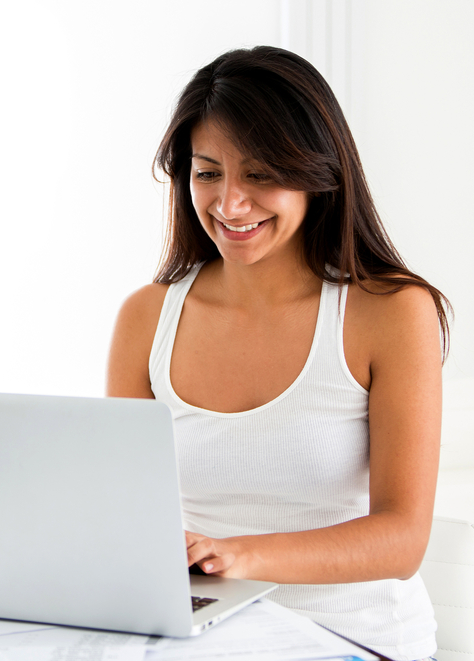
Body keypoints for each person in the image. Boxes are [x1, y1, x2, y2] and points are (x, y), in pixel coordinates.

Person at [106, 46, 450, 661]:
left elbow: (402, 539)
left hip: (353, 640)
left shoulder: (391, 311)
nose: (229, 204)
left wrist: (240, 555)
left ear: (319, 172)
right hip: (201, 641)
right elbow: (122, 515)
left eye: (261, 174)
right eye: (207, 172)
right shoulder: (146, 318)